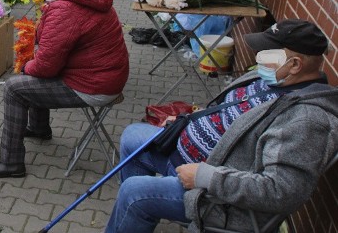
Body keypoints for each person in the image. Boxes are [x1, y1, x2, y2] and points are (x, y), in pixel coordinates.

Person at [105, 19, 337, 233]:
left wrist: (205, 178)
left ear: (295, 64)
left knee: (134, 193)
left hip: (216, 198)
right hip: (193, 160)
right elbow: (230, 111)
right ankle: (137, 218)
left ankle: (139, 208)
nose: (259, 58)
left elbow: (282, 191)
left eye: (267, 53)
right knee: (132, 135)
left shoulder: (306, 120)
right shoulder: (275, 79)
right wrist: (190, 119)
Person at [0, 0, 129, 178]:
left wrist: (27, 66)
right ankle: (38, 128)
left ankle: (11, 162)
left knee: (15, 87)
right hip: (105, 76)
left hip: (95, 86)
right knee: (36, 72)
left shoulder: (68, 9)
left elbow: (46, 67)